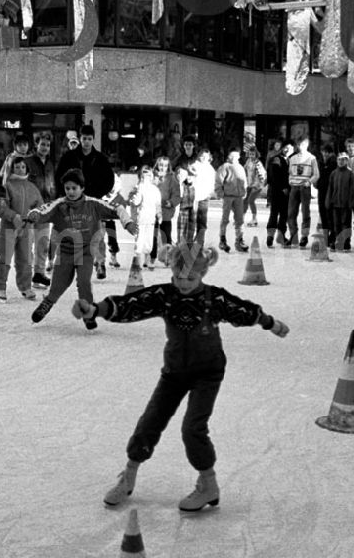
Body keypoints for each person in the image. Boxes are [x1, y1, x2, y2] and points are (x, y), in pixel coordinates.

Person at [72, 241, 289, 511]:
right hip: (174, 372)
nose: (183, 283)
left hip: (207, 373)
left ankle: (208, 485)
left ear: (203, 274)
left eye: (190, 277)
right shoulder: (166, 295)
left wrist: (272, 324)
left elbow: (244, 311)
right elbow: (132, 305)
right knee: (148, 423)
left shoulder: (214, 298)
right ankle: (128, 476)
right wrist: (95, 310)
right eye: (177, 277)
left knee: (193, 429)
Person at [26, 168, 137, 328]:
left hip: (86, 252)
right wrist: (34, 214)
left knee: (84, 282)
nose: (70, 192)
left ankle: (87, 313)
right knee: (58, 285)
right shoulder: (60, 205)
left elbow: (117, 208)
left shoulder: (93, 204)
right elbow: (43, 210)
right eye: (67, 188)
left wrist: (128, 222)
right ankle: (48, 302)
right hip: (65, 252)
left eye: (74, 188)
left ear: (82, 188)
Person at [56, 125, 117, 278]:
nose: (87, 142)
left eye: (89, 139)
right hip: (73, 201)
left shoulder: (100, 158)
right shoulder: (69, 157)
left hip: (92, 200)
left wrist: (98, 194)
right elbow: (59, 176)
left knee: (97, 232)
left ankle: (100, 263)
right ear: (80, 138)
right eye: (84, 139)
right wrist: (64, 195)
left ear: (93, 139)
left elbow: (109, 180)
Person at [0, 156, 44, 303]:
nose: (20, 170)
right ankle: (0, 287)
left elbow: (40, 205)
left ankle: (25, 286)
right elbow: (1, 207)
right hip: (9, 227)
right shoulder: (7, 185)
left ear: (26, 169)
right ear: (12, 169)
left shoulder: (32, 187)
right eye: (16, 167)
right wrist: (13, 216)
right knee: (5, 257)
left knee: (26, 258)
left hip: (26, 228)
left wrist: (36, 214)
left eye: (22, 167)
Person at [25, 132, 57, 289]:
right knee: (27, 244)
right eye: (42, 144)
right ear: (36, 145)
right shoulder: (28, 162)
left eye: (48, 145)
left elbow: (52, 185)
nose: (45, 147)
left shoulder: (50, 164)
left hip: (46, 209)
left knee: (42, 244)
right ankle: (26, 275)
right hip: (30, 209)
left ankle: (39, 274)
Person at [285, 136, 319, 248]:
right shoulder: (292, 158)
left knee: (305, 213)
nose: (300, 147)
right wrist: (290, 180)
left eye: (302, 145)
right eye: (298, 145)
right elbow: (290, 172)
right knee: (291, 213)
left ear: (307, 145)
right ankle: (293, 235)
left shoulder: (312, 158)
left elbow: (316, 174)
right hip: (294, 188)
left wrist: (309, 182)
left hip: (304, 188)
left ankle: (304, 236)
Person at [215, 149, 249, 253]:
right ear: (229, 157)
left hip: (238, 197)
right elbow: (218, 180)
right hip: (228, 196)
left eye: (236, 156)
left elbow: (244, 181)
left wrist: (244, 191)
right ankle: (222, 239)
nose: (233, 158)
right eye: (231, 156)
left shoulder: (240, 167)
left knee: (239, 219)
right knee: (225, 218)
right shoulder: (225, 167)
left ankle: (239, 240)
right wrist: (220, 193)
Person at [129, 164, 162, 268]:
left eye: (149, 176)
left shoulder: (155, 190)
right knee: (139, 239)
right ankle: (138, 260)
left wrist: (159, 215)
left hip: (151, 218)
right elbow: (136, 201)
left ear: (152, 177)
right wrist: (133, 199)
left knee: (148, 240)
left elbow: (158, 204)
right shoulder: (139, 188)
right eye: (144, 176)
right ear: (142, 177)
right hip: (141, 218)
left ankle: (147, 260)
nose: (147, 178)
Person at [324, 152, 354, 251]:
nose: (341, 162)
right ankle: (337, 241)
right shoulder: (334, 173)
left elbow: (352, 190)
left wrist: (351, 202)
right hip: (335, 203)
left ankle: (346, 242)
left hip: (346, 204)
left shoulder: (350, 173)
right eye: (339, 159)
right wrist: (328, 200)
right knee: (336, 224)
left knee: (345, 223)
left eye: (343, 160)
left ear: (347, 161)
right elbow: (330, 188)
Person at [153, 156, 180, 266]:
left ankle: (168, 257)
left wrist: (171, 202)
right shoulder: (151, 177)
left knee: (166, 235)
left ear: (168, 166)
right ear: (157, 165)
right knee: (153, 234)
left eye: (165, 166)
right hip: (153, 210)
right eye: (160, 165)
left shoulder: (172, 178)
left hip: (166, 211)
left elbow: (177, 195)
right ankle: (152, 257)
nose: (162, 168)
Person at [265, 139, 291, 248]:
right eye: (285, 147)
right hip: (277, 191)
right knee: (274, 213)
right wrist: (283, 187)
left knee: (284, 215)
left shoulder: (290, 160)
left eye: (289, 148)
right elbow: (273, 175)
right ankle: (270, 235)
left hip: (286, 192)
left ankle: (281, 236)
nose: (287, 150)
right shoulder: (276, 159)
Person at [242, 145, 266, 227]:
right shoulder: (248, 161)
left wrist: (259, 184)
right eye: (250, 154)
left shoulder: (258, 163)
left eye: (253, 154)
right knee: (245, 200)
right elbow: (244, 169)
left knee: (251, 201)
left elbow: (262, 175)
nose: (251, 156)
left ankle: (254, 219)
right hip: (249, 184)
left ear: (256, 154)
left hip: (257, 185)